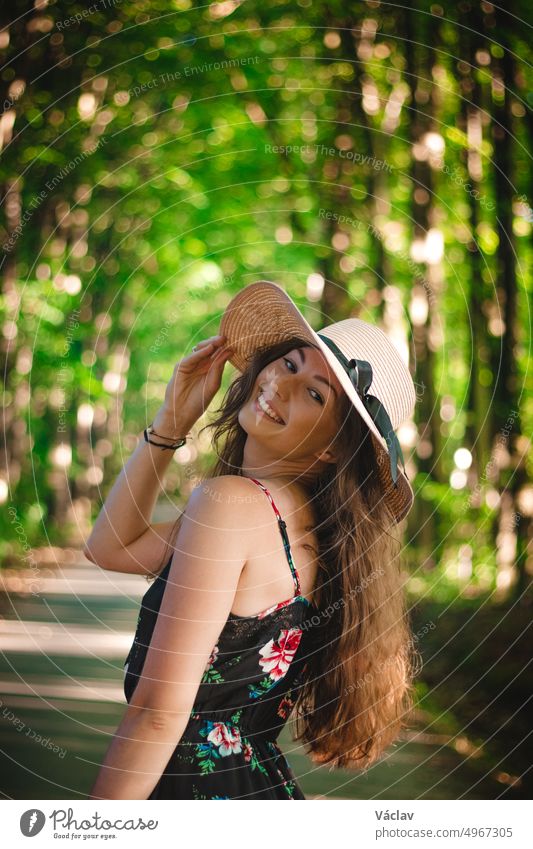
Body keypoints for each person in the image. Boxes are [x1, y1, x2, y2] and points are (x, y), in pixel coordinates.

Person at [84, 280, 419, 800]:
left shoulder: (232, 505)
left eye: (315, 393)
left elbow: (157, 714)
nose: (282, 386)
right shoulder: (301, 524)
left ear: (334, 448)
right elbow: (111, 547)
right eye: (291, 364)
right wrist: (171, 422)